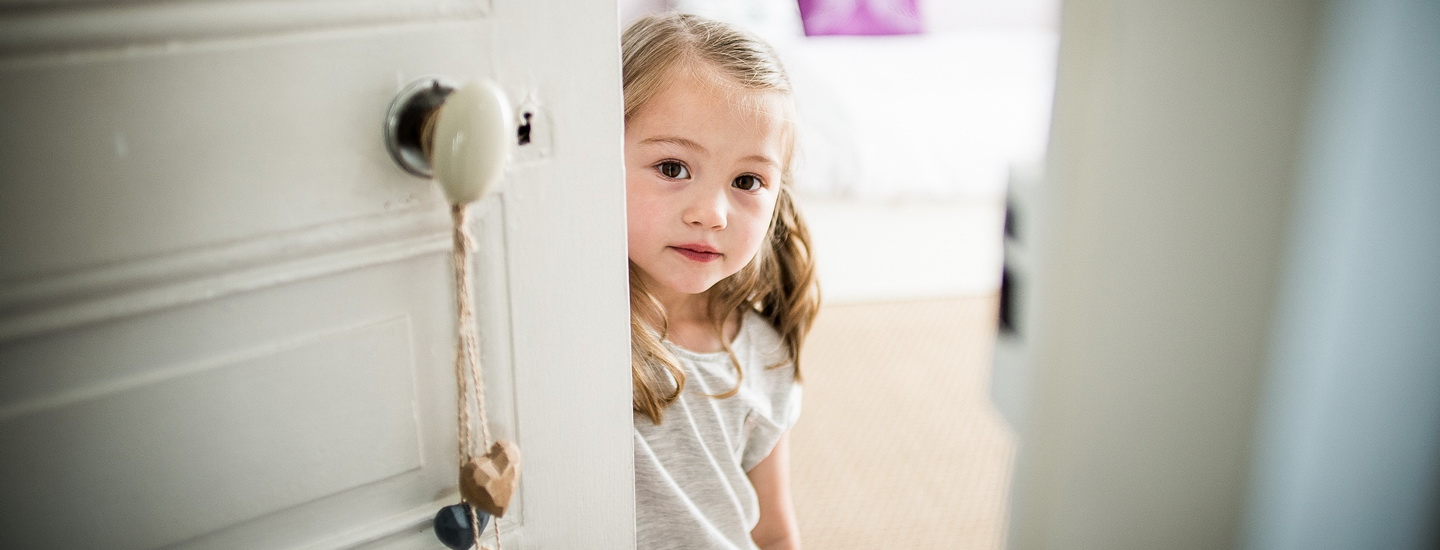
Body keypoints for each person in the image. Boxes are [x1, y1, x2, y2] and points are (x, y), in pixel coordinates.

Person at [623, 12, 821, 550]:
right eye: (672, 168)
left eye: (747, 181)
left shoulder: (765, 352)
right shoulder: (585, 328)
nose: (711, 214)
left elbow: (775, 533)